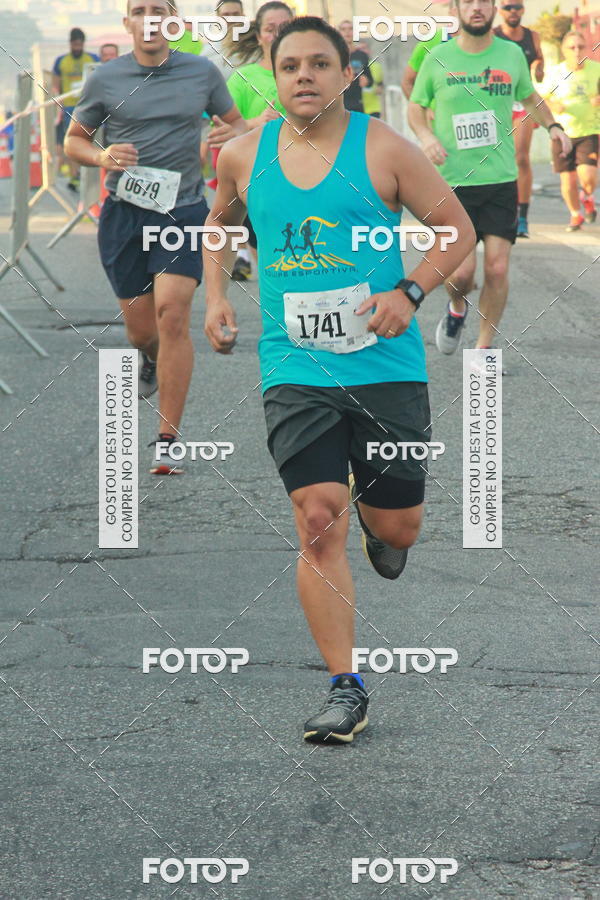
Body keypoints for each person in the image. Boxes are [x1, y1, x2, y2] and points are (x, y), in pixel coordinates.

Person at [202, 16, 475, 742]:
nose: (303, 76)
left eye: (319, 64)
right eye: (289, 64)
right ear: (271, 69)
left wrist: (411, 292)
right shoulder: (242, 154)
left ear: (346, 72)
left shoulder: (384, 147)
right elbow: (221, 226)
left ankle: (386, 531)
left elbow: (457, 230)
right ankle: (345, 687)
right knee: (317, 519)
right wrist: (219, 295)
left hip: (386, 365)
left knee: (397, 523)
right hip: (296, 366)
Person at [64, 0, 245, 475]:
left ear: (174, 23)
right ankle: (149, 360)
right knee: (143, 331)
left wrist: (227, 136)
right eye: (139, 10)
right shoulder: (105, 78)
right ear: (128, 24)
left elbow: (237, 127)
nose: (150, 18)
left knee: (172, 314)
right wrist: (102, 157)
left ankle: (168, 440)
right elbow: (74, 142)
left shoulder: (202, 73)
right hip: (125, 214)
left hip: (182, 212)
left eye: (159, 9)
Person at [408, 0, 571, 357]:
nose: (477, 8)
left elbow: (530, 96)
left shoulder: (511, 54)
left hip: (499, 180)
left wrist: (555, 127)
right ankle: (456, 308)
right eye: (468, 2)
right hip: (452, 184)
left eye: (484, 1)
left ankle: (484, 348)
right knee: (461, 276)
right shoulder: (437, 56)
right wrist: (426, 137)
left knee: (497, 269)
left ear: (494, 8)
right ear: (456, 9)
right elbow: (415, 107)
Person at [226, 0, 293, 280]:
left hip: (310, 176)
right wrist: (255, 123)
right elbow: (222, 131)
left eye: (285, 28)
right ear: (258, 36)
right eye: (270, 29)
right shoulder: (244, 78)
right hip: (260, 181)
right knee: (272, 265)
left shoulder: (311, 73)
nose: (277, 35)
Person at [539, 31, 600, 231]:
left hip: (588, 130)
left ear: (587, 49)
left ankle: (588, 195)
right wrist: (553, 104)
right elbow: (542, 97)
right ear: (564, 50)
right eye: (572, 47)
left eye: (580, 47)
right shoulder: (556, 73)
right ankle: (575, 215)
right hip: (562, 132)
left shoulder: (596, 70)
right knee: (568, 178)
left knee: (588, 176)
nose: (576, 51)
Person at [493, 2, 544, 237]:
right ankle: (498, 211)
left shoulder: (533, 37)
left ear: (523, 10)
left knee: (520, 156)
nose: (513, 11)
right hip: (494, 102)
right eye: (508, 7)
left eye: (517, 7)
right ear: (499, 11)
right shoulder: (493, 35)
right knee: (495, 158)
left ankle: (522, 217)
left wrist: (538, 67)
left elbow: (539, 59)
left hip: (521, 102)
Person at [52, 28, 99, 191]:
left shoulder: (92, 59)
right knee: (71, 141)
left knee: (91, 140)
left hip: (89, 106)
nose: (77, 47)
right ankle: (74, 176)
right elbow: (56, 85)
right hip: (69, 108)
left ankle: (92, 177)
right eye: (74, 44)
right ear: (70, 43)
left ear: (83, 43)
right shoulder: (61, 61)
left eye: (80, 44)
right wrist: (58, 105)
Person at [337, 19, 373, 112]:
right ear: (338, 33)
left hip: (357, 105)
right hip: (339, 106)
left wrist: (366, 81)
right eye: (343, 29)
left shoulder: (361, 55)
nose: (347, 32)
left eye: (350, 29)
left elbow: (370, 80)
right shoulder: (333, 55)